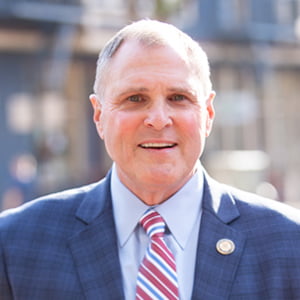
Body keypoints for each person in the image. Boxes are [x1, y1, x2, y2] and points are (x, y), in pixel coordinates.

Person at [0, 19, 300, 300]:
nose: (158, 120)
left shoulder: (289, 244)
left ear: (208, 114)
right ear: (99, 115)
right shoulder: (15, 245)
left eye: (178, 98)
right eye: (135, 99)